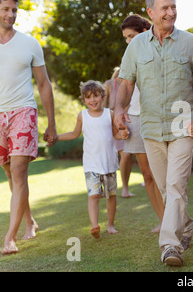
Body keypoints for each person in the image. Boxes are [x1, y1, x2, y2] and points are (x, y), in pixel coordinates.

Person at [114, 0, 193, 267]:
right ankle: (187, 227)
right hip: (151, 128)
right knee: (168, 189)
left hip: (183, 125)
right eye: (165, 8)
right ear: (151, 13)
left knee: (176, 184)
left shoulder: (190, 42)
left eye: (173, 7)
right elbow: (127, 82)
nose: (171, 12)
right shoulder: (136, 46)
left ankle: (170, 245)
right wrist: (119, 109)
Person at [0, 0, 57, 255]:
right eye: (5, 9)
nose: (10, 14)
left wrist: (52, 123)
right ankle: (29, 221)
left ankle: (10, 237)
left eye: (13, 10)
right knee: (11, 174)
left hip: (23, 112)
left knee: (20, 173)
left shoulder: (29, 43)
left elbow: (44, 85)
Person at [57, 80, 128, 238]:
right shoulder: (82, 116)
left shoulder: (109, 114)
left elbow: (115, 134)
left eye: (95, 96)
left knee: (111, 196)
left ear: (103, 96)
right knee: (94, 195)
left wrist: (122, 134)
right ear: (84, 100)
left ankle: (110, 224)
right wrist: (57, 137)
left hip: (109, 162)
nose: (92, 100)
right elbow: (74, 134)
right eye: (88, 97)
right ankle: (95, 226)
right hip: (91, 164)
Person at [119, 14, 164, 233]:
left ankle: (175, 219)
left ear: (145, 31)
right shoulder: (128, 56)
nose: (128, 41)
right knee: (146, 174)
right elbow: (125, 88)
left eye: (131, 36)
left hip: (157, 117)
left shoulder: (160, 51)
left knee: (163, 175)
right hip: (135, 118)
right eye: (125, 38)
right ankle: (163, 219)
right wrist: (121, 114)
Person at [104, 68, 134, 198]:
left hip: (131, 120)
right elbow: (103, 105)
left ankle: (125, 188)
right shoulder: (109, 84)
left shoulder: (133, 82)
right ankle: (115, 188)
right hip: (115, 121)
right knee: (124, 154)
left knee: (128, 156)